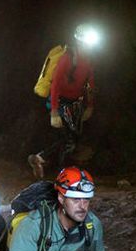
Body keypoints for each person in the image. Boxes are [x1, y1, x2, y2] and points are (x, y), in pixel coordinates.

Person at [28, 24, 98, 179]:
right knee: (69, 141)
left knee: (70, 138)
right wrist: (54, 111)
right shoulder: (68, 58)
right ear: (79, 41)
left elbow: (90, 84)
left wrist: (90, 106)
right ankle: (63, 175)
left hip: (75, 102)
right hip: (60, 100)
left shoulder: (89, 59)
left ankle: (41, 158)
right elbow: (56, 84)